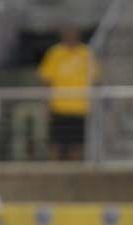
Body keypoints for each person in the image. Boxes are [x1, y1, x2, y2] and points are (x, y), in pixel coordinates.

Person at [38, 28, 101, 160]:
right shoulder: (55, 53)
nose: (70, 34)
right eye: (68, 32)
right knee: (55, 144)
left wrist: (96, 103)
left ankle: (74, 175)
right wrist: (45, 104)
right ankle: (54, 173)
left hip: (80, 108)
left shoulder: (86, 53)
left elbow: (95, 80)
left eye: (73, 32)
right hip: (59, 108)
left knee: (77, 145)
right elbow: (46, 80)